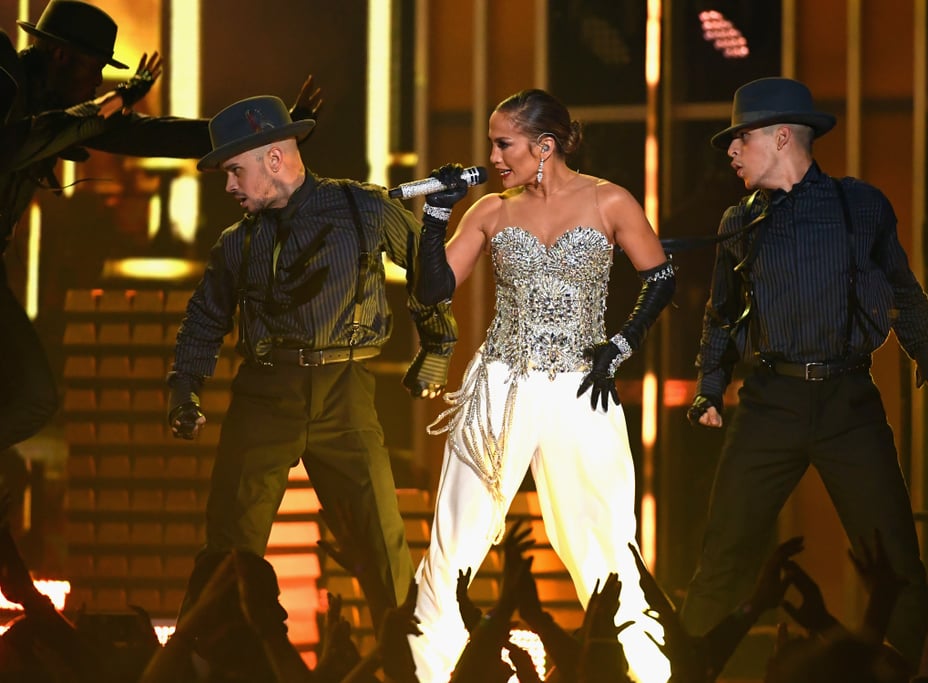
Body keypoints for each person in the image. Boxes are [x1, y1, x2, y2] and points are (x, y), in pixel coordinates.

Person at [682, 77, 928, 666]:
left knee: (895, 564)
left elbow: (905, 296)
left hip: (847, 403)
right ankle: (685, 678)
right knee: (723, 561)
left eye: (742, 138)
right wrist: (710, 385)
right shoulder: (740, 219)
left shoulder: (861, 205)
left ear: (782, 137)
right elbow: (722, 315)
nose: (731, 151)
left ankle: (925, 679)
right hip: (769, 403)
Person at [408, 88, 677, 682]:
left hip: (585, 387)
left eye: (504, 143)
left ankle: (644, 672)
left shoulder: (610, 200)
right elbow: (430, 290)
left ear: (545, 146)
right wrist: (435, 214)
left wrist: (622, 345)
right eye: (493, 144)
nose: (495, 156)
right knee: (455, 534)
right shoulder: (491, 210)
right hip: (500, 384)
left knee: (604, 535)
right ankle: (433, 672)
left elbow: (660, 277)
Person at [167, 95, 458, 631]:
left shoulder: (363, 209)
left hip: (345, 393)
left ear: (273, 159)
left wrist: (437, 346)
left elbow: (427, 271)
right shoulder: (236, 243)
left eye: (234, 170)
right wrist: (184, 386)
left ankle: (413, 667)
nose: (228, 185)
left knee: (381, 545)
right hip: (264, 393)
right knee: (229, 548)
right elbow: (204, 318)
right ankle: (195, 664)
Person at [0, 0, 319, 455]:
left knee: (33, 399)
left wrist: (267, 134)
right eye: (93, 69)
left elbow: (157, 134)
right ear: (60, 56)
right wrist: (109, 104)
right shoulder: (6, 78)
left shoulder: (69, 107)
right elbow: (13, 146)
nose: (96, 82)